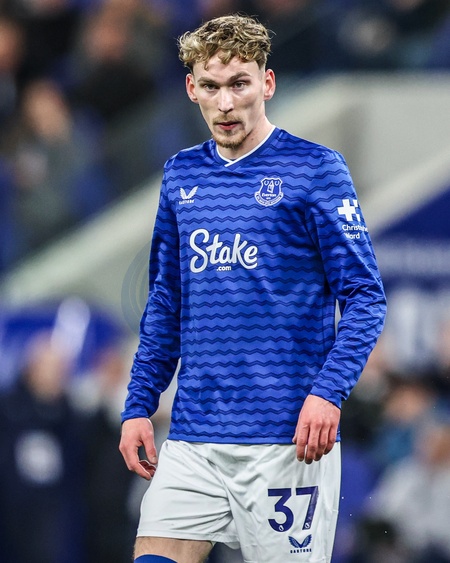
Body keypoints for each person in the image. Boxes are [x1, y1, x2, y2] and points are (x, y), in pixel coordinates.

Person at [119, 13, 386, 563]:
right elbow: (166, 303)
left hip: (286, 441)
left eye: (239, 84)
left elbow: (365, 296)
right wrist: (139, 404)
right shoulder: (181, 176)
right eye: (211, 86)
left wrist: (328, 392)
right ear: (191, 88)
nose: (225, 103)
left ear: (267, 83)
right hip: (194, 438)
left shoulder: (315, 170)